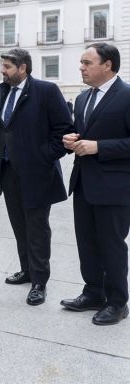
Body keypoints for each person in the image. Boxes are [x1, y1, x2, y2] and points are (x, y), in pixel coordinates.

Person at [0, 48, 73, 306]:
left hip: (37, 174)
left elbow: (64, 130)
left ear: (23, 68)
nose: (2, 71)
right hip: (7, 172)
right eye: (2, 66)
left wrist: (43, 157)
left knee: (37, 228)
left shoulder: (47, 91)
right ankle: (26, 270)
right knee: (19, 225)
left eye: (7, 67)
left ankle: (39, 282)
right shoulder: (0, 92)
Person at [61, 43, 130, 325]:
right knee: (87, 243)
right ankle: (93, 293)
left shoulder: (127, 95)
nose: (81, 67)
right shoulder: (82, 99)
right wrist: (71, 140)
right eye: (81, 62)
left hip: (114, 188)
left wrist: (99, 147)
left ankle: (118, 302)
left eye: (87, 63)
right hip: (83, 184)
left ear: (108, 65)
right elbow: (85, 135)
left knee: (112, 246)